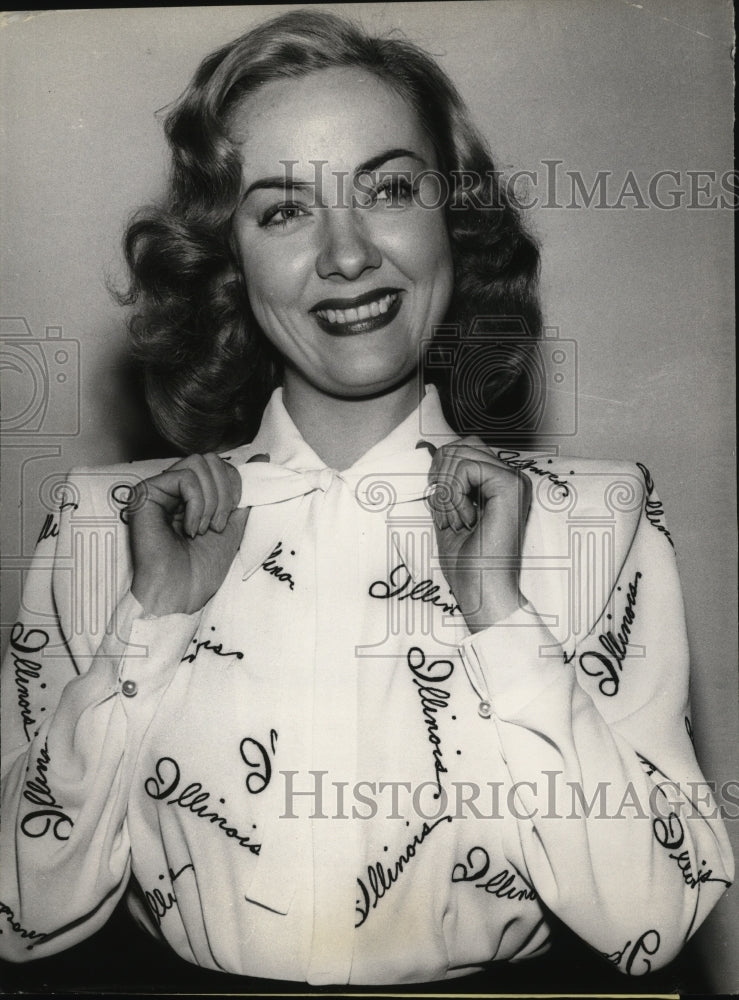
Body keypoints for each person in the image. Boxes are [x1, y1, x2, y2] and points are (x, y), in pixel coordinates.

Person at [0, 8, 732, 990]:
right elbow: (20, 913)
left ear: (452, 221)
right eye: (282, 211)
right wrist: (149, 626)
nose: (346, 254)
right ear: (227, 258)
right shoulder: (106, 528)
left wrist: (502, 619)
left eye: (387, 189)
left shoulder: (600, 521)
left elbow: (654, 921)